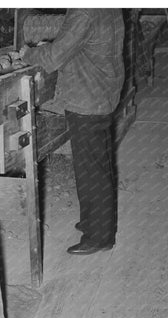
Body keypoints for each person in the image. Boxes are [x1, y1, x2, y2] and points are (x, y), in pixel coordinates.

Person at [20, 9, 125, 255]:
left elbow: (55, 58)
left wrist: (29, 54)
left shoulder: (84, 11)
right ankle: (93, 220)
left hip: (88, 98)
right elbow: (80, 42)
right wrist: (54, 44)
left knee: (92, 170)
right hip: (102, 91)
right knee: (96, 164)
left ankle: (99, 237)